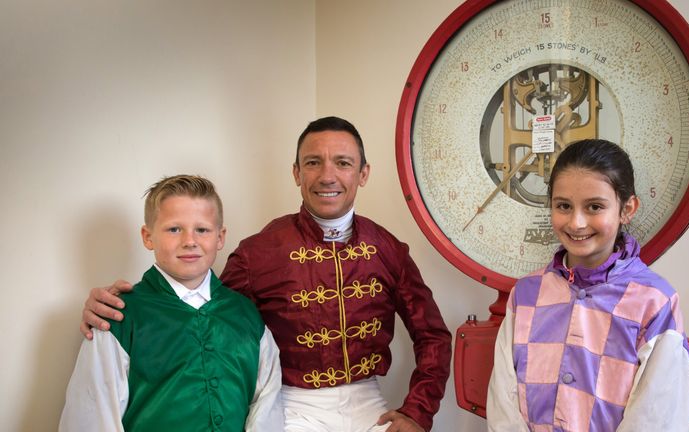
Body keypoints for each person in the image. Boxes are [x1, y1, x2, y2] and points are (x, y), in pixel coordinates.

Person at [79, 117, 452, 432]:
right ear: (296, 173)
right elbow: (208, 315)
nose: (328, 176)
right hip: (292, 409)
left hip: (370, 404)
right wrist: (117, 307)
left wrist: (417, 413)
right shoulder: (258, 253)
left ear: (363, 173)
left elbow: (432, 335)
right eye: (313, 162)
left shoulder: (388, 249)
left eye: (342, 163)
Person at [486, 139, 689, 431]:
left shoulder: (655, 303)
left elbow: (657, 418)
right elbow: (503, 404)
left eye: (595, 206)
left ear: (627, 209)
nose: (576, 223)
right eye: (563, 206)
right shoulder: (525, 294)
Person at [60, 175, 283, 431]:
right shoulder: (118, 317)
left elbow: (267, 406)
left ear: (220, 237)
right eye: (174, 229)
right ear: (148, 236)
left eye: (202, 230)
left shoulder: (246, 315)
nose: (190, 241)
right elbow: (92, 415)